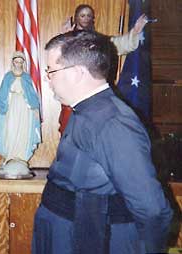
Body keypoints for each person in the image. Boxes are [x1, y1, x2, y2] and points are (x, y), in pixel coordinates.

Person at [32, 31, 173, 254]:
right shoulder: (88, 109)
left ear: (77, 73)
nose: (48, 79)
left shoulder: (113, 122)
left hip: (92, 239)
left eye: (51, 71)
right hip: (72, 234)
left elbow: (152, 208)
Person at [59, 4, 148, 134]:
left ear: (93, 19)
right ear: (76, 18)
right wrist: (65, 37)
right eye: (82, 15)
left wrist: (134, 32)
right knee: (70, 132)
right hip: (73, 97)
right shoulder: (68, 40)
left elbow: (122, 43)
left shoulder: (101, 42)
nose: (85, 18)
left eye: (89, 15)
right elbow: (58, 57)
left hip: (94, 96)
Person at [0, 51, 41, 177]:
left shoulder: (26, 77)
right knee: (10, 130)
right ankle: (10, 156)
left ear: (23, 63)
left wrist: (36, 108)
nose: (18, 64)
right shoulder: (8, 77)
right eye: (16, 62)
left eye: (20, 62)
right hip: (11, 108)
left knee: (23, 131)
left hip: (24, 109)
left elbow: (32, 95)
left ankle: (21, 157)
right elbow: (1, 93)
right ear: (13, 62)